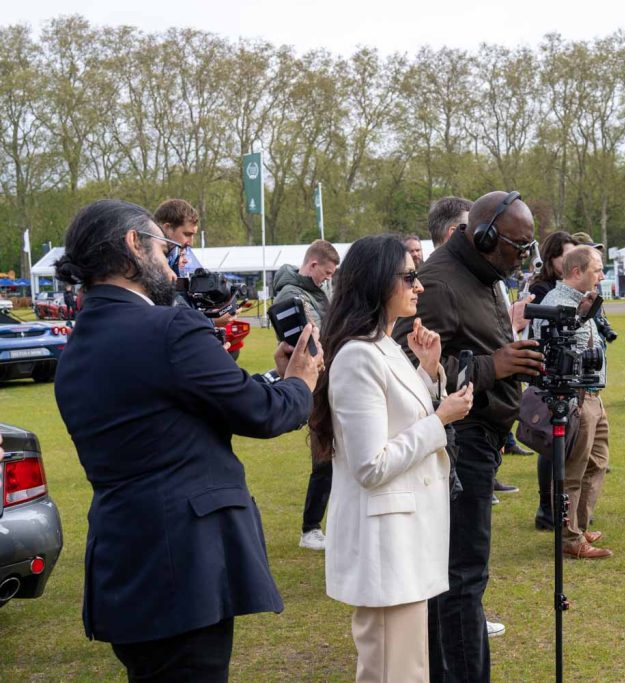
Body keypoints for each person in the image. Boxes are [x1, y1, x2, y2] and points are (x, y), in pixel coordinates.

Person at [52, 199, 321, 682]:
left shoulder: (78, 345)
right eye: (166, 247)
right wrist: (300, 382)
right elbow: (260, 414)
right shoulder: (170, 327)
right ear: (134, 245)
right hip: (185, 566)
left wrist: (274, 375)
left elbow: (182, 407)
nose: (174, 264)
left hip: (123, 561)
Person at [308, 235, 474, 683]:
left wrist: (428, 369)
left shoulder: (384, 344)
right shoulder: (357, 356)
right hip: (386, 546)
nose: (418, 285)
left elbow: (403, 417)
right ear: (378, 282)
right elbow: (369, 464)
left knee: (410, 668)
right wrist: (441, 419)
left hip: (406, 539)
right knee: (392, 672)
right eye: (408, 276)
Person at [394, 191, 544, 683]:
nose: (524, 257)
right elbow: (404, 368)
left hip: (480, 439)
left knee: (463, 576)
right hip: (459, 443)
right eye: (518, 247)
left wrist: (509, 353)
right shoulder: (437, 283)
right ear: (482, 237)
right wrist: (492, 365)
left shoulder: (481, 275)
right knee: (462, 578)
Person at [533, 246, 613, 559]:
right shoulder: (556, 305)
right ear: (576, 271)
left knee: (598, 462)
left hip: (593, 394)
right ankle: (570, 538)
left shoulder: (584, 302)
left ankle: (578, 525)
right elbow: (550, 355)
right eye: (597, 269)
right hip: (575, 398)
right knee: (573, 470)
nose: (602, 276)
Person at [271, 240, 341, 551]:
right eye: (325, 273)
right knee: (324, 455)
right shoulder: (292, 296)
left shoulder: (313, 292)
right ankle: (310, 528)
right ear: (312, 265)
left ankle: (328, 523)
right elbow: (307, 341)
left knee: (337, 455)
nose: (328, 279)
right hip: (316, 383)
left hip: (329, 379)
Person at [527, 230, 577, 530]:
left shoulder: (561, 287)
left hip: (562, 369)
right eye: (565, 257)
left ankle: (557, 506)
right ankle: (547, 507)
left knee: (563, 440)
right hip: (546, 370)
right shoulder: (543, 290)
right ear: (551, 258)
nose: (571, 263)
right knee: (550, 441)